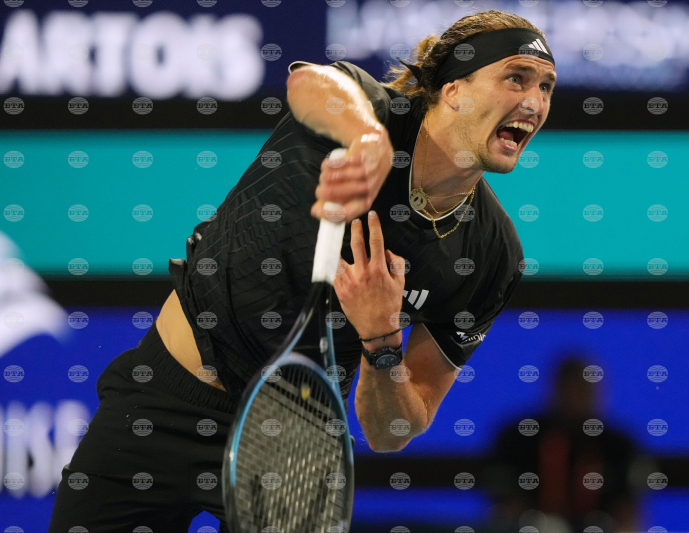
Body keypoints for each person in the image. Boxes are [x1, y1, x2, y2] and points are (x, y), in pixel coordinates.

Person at [48, 9, 556, 532]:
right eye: (516, 78)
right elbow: (310, 83)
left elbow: (393, 431)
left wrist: (382, 340)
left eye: (545, 87)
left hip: (294, 445)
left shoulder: (492, 254)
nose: (534, 102)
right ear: (453, 88)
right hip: (162, 404)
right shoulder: (366, 110)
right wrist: (365, 139)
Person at [487, 356, 642, 533]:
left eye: (583, 390)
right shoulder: (518, 438)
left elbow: (626, 510)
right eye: (570, 388)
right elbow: (504, 504)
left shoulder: (618, 445)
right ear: (554, 389)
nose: (575, 397)